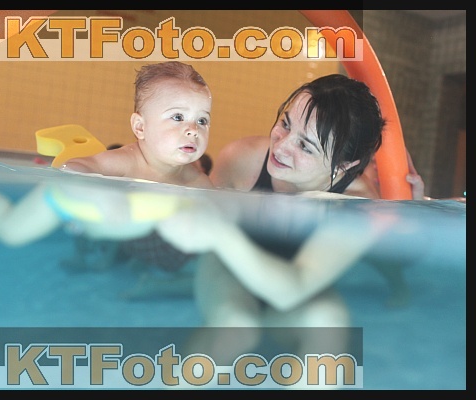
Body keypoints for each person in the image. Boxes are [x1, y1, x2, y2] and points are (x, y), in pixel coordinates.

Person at [152, 74, 411, 368]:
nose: (282, 146)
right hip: (229, 273)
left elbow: (294, 288)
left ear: (343, 165)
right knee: (236, 326)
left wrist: (220, 233)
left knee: (328, 322)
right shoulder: (243, 159)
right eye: (286, 124)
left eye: (306, 146)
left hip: (294, 285)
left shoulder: (358, 207)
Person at [0, 61, 213, 247]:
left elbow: (217, 212)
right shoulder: (125, 161)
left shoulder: (196, 181)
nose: (193, 130)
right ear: (140, 127)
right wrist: (102, 194)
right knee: (10, 233)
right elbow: (72, 168)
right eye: (177, 117)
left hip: (103, 226)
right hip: (64, 200)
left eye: (202, 120)